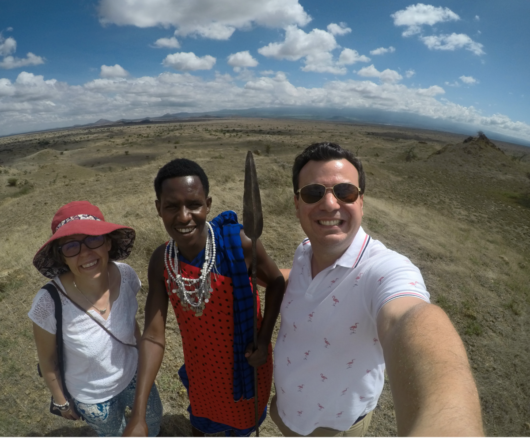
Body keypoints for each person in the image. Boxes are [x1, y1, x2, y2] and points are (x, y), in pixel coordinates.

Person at [271, 143, 484, 438]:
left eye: (345, 192)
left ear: (361, 202)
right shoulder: (305, 251)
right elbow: (303, 281)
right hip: (288, 411)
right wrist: (265, 274)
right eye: (313, 193)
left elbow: (406, 318)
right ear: (297, 204)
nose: (330, 204)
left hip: (332, 428)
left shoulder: (384, 270)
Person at [123, 158, 285, 438]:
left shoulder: (240, 243)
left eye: (194, 204)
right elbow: (152, 336)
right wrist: (138, 416)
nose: (184, 216)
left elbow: (276, 282)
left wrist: (263, 336)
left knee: (240, 430)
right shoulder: (162, 262)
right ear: (158, 208)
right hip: (203, 371)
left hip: (245, 366)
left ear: (207, 205)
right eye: (171, 206)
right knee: (200, 427)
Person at [29, 200, 162, 438]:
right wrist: (61, 401)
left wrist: (144, 360)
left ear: (108, 242)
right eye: (71, 246)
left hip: (135, 374)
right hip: (93, 399)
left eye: (93, 239)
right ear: (62, 257)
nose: (86, 253)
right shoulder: (48, 303)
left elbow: (133, 325)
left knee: (152, 421)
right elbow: (48, 360)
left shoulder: (126, 275)